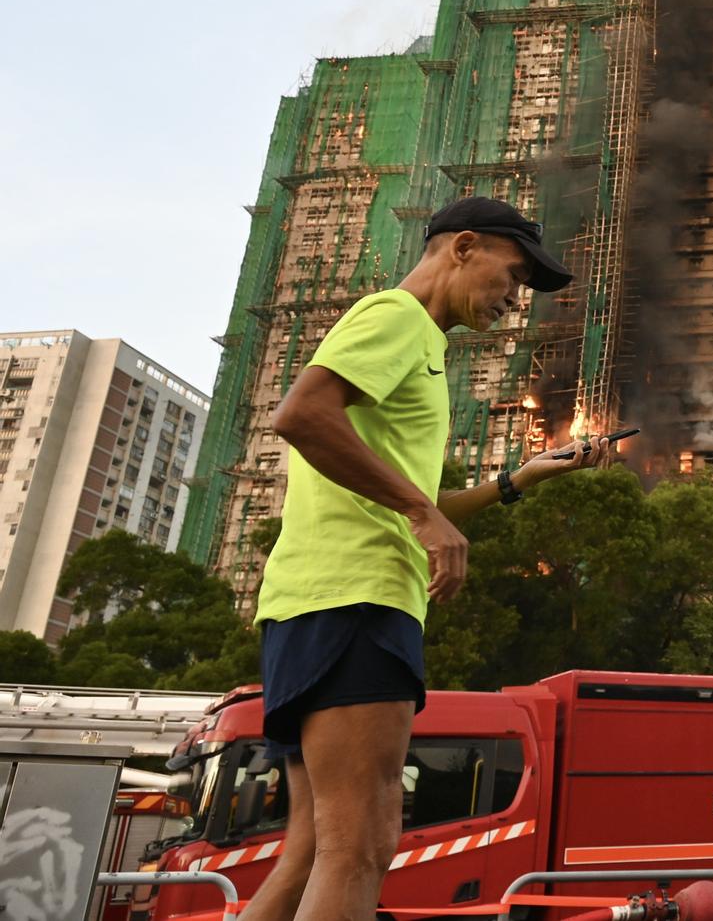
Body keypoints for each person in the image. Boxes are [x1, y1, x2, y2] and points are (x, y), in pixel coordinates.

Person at [240, 196, 615, 921]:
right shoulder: (398, 318)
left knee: (312, 850)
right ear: (464, 246)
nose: (516, 299)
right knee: (363, 844)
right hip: (358, 599)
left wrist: (520, 478)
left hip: (310, 605)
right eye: (513, 276)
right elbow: (301, 414)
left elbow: (419, 495)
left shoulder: (420, 345)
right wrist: (422, 514)